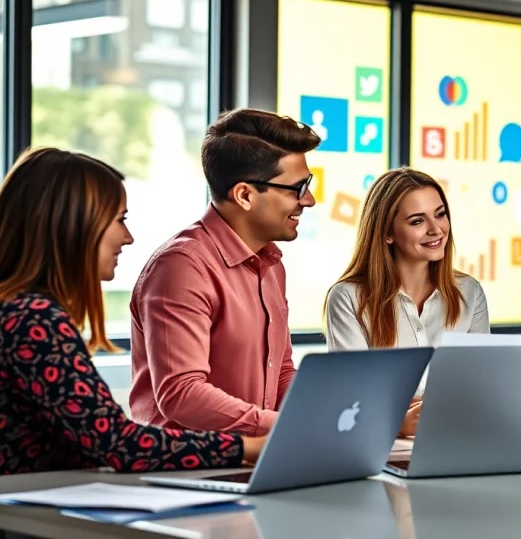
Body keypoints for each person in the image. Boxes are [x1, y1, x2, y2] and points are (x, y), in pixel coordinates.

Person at [0, 147, 264, 475]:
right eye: (119, 220)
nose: (128, 237)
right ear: (73, 224)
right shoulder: (32, 319)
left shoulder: (17, 312)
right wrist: (252, 445)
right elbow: (118, 444)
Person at [129, 108, 319, 437]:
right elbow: (182, 396)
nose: (310, 200)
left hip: (251, 459)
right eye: (296, 189)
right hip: (184, 475)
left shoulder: (271, 264)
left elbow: (281, 373)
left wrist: (344, 415)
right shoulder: (181, 267)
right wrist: (291, 427)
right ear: (245, 195)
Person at [324, 167, 490, 436]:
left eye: (440, 214)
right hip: (381, 444)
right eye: (417, 221)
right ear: (388, 233)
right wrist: (399, 419)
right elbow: (351, 400)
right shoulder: (347, 298)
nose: (436, 230)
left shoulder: (469, 292)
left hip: (457, 435)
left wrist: (395, 405)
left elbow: (481, 387)